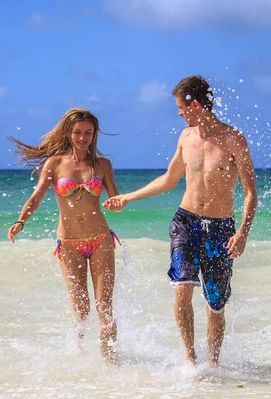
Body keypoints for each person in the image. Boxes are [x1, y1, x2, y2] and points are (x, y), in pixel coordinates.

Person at [103, 75, 258, 366]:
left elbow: (251, 193)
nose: (178, 113)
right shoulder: (186, 138)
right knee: (182, 286)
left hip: (220, 228)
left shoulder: (232, 139)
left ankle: (212, 364)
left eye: (180, 107)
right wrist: (128, 197)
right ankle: (190, 359)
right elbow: (169, 179)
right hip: (185, 222)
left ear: (195, 104)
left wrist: (243, 233)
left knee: (215, 304)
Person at [7, 107, 121, 364]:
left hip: (100, 238)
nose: (83, 138)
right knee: (81, 310)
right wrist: (20, 221)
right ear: (69, 133)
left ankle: (111, 364)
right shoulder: (55, 163)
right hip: (69, 244)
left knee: (105, 307)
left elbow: (115, 197)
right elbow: (36, 196)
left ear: (95, 135)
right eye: (78, 132)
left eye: (88, 133)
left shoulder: (103, 165)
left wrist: (116, 203)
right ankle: (79, 361)